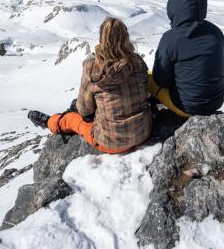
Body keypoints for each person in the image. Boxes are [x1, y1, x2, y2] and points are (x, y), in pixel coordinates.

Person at [28, 17, 152, 153]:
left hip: (110, 142)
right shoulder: (137, 62)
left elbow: (84, 110)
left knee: (71, 119)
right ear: (126, 37)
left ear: (102, 39)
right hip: (143, 133)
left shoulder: (93, 68)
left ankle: (50, 122)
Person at [149, 0, 224, 117]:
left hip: (187, 106)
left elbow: (161, 80)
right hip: (217, 100)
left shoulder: (171, 38)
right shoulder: (216, 32)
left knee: (148, 78)